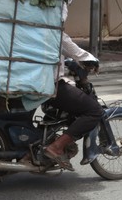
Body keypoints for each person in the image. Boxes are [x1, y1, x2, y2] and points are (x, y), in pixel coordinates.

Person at [42, 33, 103, 171]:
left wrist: (69, 60)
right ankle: (56, 147)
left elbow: (59, 47)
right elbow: (64, 42)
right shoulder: (50, 24)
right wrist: (89, 59)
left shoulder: (30, 24)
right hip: (49, 84)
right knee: (94, 110)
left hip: (32, 82)